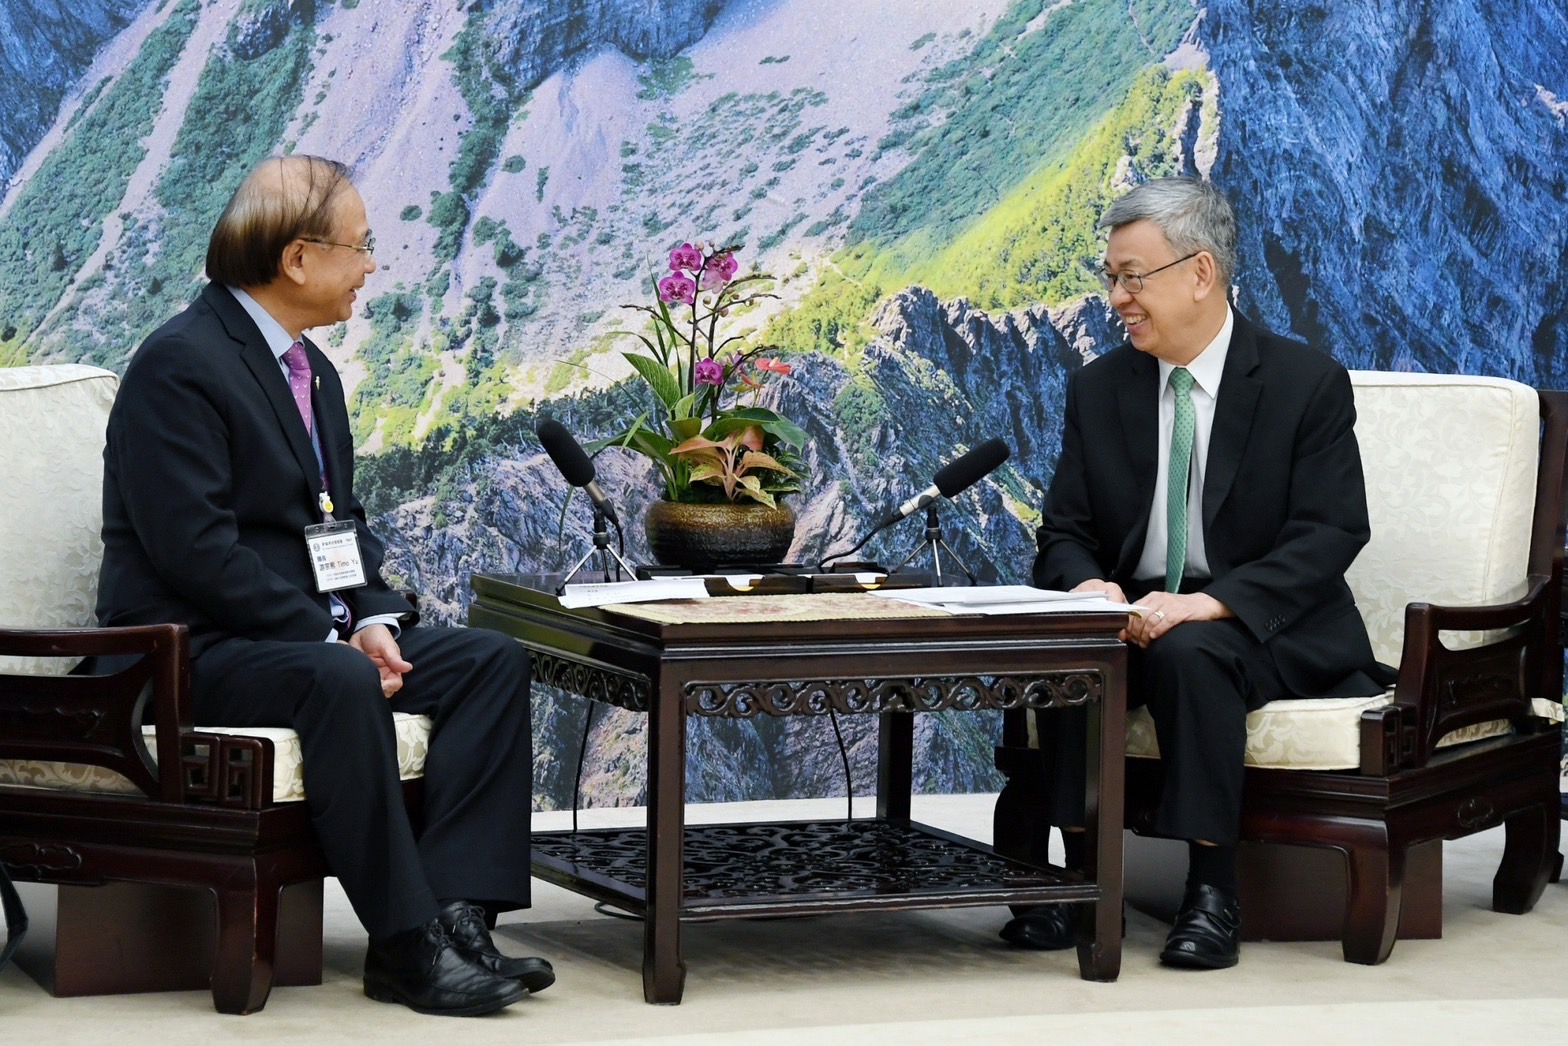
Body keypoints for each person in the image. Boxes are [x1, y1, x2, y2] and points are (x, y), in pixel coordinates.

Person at [96, 155, 551, 1016]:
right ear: (297, 258)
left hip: (298, 639)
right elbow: (194, 552)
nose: (372, 265)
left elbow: (337, 522)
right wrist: (330, 633)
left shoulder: (312, 372)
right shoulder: (179, 365)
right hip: (187, 650)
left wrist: (371, 616)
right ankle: (406, 947)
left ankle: (458, 918)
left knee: (488, 662)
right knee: (340, 676)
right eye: (361, 246)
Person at [995, 177, 1392, 969]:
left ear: (1200, 273)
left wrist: (1209, 605)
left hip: (1264, 627)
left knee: (1191, 651)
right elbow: (1065, 532)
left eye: (1132, 277)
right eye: (1111, 277)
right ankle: (1075, 879)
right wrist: (1092, 590)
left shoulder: (1303, 383)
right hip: (1134, 616)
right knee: (1077, 648)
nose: (1117, 297)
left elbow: (1331, 532)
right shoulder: (1099, 389)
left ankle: (1212, 892)